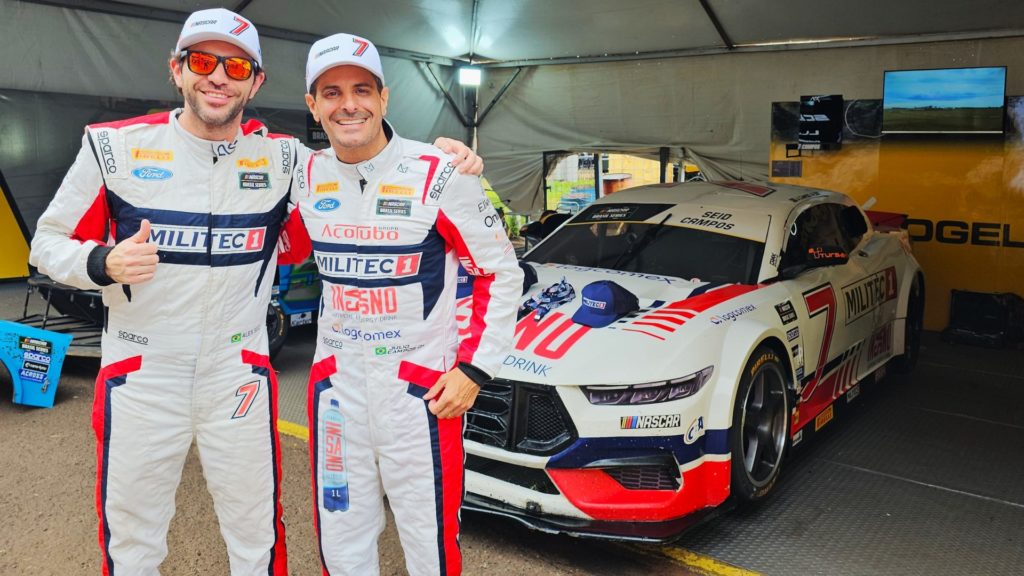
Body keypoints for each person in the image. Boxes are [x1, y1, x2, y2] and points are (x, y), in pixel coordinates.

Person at [28, 8, 481, 575]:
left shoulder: (285, 158)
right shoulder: (114, 147)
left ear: (255, 82)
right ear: (177, 70)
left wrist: (452, 159)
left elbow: (362, 161)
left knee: (256, 536)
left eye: (236, 66)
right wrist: (101, 259)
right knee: (132, 537)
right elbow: (44, 244)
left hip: (237, 374)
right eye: (202, 61)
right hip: (142, 371)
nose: (219, 76)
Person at [279, 33, 523, 576]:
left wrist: (475, 370)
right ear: (312, 106)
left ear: (384, 99)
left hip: (419, 394)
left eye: (362, 89)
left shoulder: (440, 174)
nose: (349, 104)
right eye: (332, 92)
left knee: (430, 544)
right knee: (341, 538)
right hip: (337, 393)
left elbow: (501, 274)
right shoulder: (303, 173)